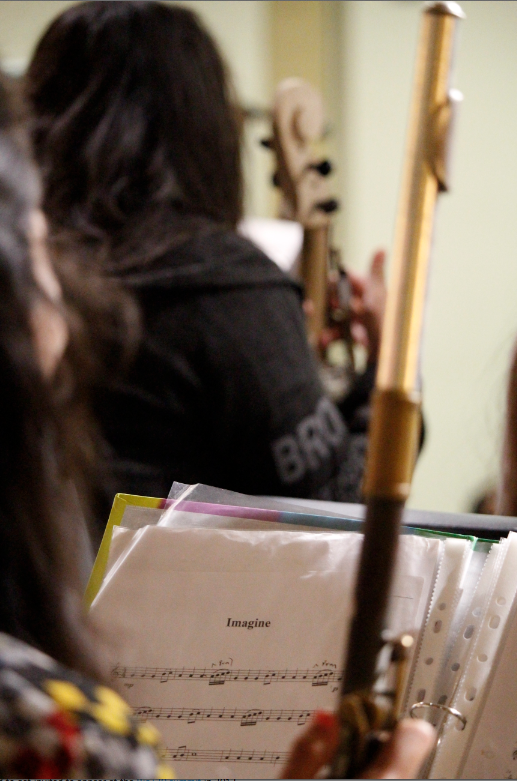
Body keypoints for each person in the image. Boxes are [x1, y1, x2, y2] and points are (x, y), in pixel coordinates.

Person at [25, 0, 387, 526]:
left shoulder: (28, 273)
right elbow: (331, 513)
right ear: (204, 129)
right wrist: (390, 372)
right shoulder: (224, 288)